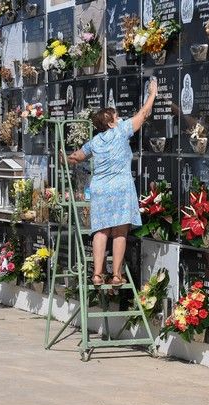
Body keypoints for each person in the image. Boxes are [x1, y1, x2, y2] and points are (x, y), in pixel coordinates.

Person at [66, 79, 158, 286]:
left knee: (100, 230)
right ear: (110, 123)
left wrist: (66, 157)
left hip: (100, 189)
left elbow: (78, 156)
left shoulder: (95, 141)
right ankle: (116, 275)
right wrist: (152, 93)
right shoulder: (121, 131)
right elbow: (143, 114)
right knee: (119, 233)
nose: (120, 117)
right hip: (120, 188)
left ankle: (97, 274)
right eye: (117, 116)